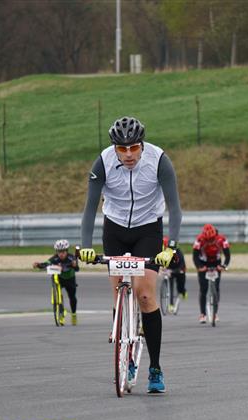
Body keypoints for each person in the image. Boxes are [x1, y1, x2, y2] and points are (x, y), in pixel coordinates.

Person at [79, 116, 182, 394]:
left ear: (142, 145)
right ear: (114, 148)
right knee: (119, 291)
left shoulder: (159, 161)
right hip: (114, 229)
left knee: (145, 295)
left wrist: (171, 247)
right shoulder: (102, 163)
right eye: (122, 149)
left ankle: (155, 368)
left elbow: (174, 207)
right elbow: (90, 207)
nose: (128, 155)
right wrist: (85, 245)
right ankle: (125, 352)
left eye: (134, 148)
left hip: (148, 229)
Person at [33, 239, 80, 326]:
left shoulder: (71, 257)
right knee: (58, 291)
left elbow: (77, 269)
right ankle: (60, 309)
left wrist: (74, 265)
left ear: (67, 251)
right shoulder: (55, 258)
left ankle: (73, 314)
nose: (61, 254)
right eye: (59, 252)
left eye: (63, 252)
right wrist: (38, 265)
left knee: (72, 297)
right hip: (59, 279)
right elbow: (46, 263)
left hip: (70, 279)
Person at [192, 223, 231, 324]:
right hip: (203, 262)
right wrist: (199, 267)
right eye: (208, 240)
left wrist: (223, 266)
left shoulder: (222, 239)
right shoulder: (199, 240)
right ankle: (203, 314)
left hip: (216, 262)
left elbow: (227, 255)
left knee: (216, 288)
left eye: (212, 239)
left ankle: (215, 313)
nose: (210, 242)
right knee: (203, 289)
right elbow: (195, 256)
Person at [163, 236, 188, 311]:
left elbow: (182, 264)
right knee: (170, 287)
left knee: (180, 286)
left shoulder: (178, 252)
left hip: (179, 269)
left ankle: (183, 292)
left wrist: (177, 270)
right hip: (170, 270)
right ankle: (171, 304)